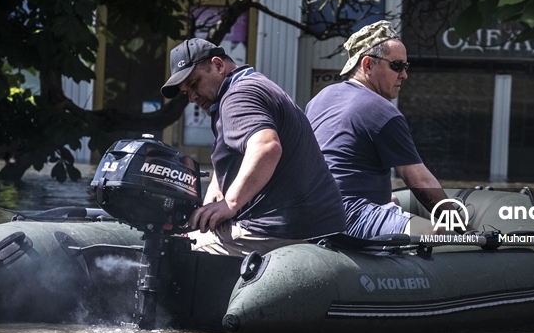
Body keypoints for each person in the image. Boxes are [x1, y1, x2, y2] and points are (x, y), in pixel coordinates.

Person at [160, 38, 346, 256]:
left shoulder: (237, 97)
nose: (192, 97)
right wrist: (218, 187)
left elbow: (266, 147)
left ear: (218, 65)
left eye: (194, 84)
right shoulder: (252, 84)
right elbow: (237, 151)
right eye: (186, 92)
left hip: (283, 230)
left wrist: (230, 203)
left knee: (173, 250)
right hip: (316, 224)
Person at [305, 20, 452, 239]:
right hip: (348, 215)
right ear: (367, 65)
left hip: (309, 212)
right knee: (434, 231)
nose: (404, 75)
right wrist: (463, 228)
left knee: (392, 200)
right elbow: (419, 181)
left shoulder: (320, 98)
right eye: (397, 66)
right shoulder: (382, 111)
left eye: (406, 66)